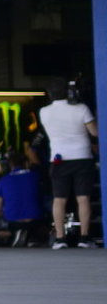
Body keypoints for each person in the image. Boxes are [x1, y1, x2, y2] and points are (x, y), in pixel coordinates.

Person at [38, 78, 99, 248]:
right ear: (69, 92)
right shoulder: (81, 108)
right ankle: (84, 238)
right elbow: (95, 132)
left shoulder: (44, 112)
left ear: (49, 94)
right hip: (82, 157)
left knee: (59, 199)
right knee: (83, 198)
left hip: (59, 159)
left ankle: (60, 238)